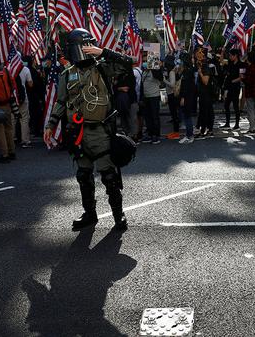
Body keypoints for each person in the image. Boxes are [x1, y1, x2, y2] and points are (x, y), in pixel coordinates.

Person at [43, 28, 133, 231]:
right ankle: (90, 214)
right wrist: (51, 125)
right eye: (81, 47)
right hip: (78, 133)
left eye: (86, 46)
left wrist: (103, 52)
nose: (83, 50)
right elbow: (61, 101)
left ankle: (119, 215)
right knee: (83, 176)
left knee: (109, 177)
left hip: (100, 132)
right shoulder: (68, 73)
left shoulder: (103, 68)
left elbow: (128, 62)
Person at [220, 48, 245, 130]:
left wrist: (233, 81)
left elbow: (242, 77)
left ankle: (237, 124)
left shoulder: (241, 64)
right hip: (228, 87)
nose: (230, 57)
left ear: (235, 56)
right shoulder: (230, 63)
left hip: (236, 87)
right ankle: (227, 123)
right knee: (226, 105)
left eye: (231, 55)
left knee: (235, 106)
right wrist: (222, 52)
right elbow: (222, 61)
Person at [14, 56, 33, 148]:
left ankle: (12, 138)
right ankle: (25, 140)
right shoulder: (25, 69)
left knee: (12, 119)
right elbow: (30, 84)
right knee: (24, 119)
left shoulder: (8, 68)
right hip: (22, 96)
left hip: (12, 97)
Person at [195, 47, 215, 137]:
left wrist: (200, 73)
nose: (196, 55)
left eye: (199, 53)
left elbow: (206, 81)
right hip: (203, 93)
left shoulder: (205, 66)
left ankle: (204, 130)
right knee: (205, 111)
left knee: (205, 112)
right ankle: (207, 129)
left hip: (206, 93)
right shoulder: (201, 65)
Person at [178, 52, 196, 144]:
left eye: (180, 60)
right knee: (187, 116)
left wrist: (183, 98)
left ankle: (189, 136)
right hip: (189, 96)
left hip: (187, 97)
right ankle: (189, 135)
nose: (179, 62)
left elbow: (186, 86)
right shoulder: (190, 69)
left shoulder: (187, 71)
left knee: (187, 117)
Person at [141, 64, 162, 144]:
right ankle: (150, 134)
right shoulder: (144, 72)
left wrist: (155, 67)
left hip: (154, 96)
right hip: (146, 97)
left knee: (155, 116)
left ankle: (156, 135)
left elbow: (160, 77)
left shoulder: (155, 72)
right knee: (148, 117)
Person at [162, 55, 180, 139]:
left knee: (174, 114)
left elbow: (172, 84)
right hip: (171, 94)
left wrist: (164, 80)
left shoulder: (171, 72)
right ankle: (175, 132)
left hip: (172, 95)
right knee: (174, 114)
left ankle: (176, 132)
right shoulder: (171, 71)